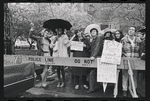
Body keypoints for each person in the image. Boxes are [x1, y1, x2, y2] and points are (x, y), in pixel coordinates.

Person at [121, 26, 142, 97]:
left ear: (135, 32)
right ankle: (124, 90)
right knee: (125, 75)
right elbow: (120, 49)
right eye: (130, 29)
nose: (131, 31)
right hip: (126, 59)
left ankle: (134, 89)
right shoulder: (123, 39)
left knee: (134, 75)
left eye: (133, 30)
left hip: (135, 60)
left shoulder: (138, 40)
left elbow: (141, 50)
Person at [87, 28, 104, 93]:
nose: (93, 32)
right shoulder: (93, 39)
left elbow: (97, 47)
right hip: (94, 57)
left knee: (92, 73)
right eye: (92, 31)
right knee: (94, 73)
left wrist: (93, 56)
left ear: (97, 32)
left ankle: (92, 88)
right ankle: (95, 86)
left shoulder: (98, 38)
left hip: (97, 58)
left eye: (94, 31)